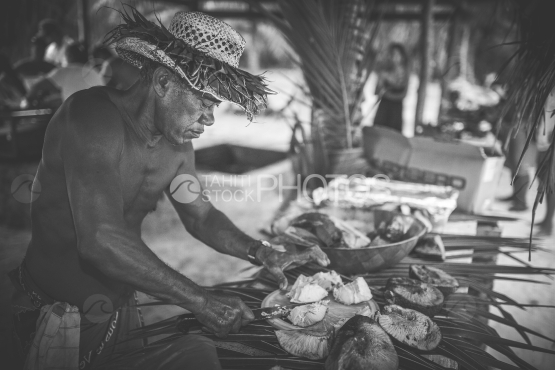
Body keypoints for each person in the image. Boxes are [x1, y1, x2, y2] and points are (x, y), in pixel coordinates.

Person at [10, 9, 328, 370]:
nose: (210, 118)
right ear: (162, 82)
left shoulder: (177, 150)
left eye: (215, 106)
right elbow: (100, 239)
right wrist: (201, 301)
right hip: (47, 314)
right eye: (204, 102)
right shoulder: (90, 119)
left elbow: (202, 216)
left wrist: (262, 251)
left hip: (119, 314)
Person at [26, 42, 104, 106]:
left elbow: (36, 87)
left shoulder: (65, 71)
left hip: (76, 117)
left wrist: (28, 102)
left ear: (69, 56)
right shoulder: (95, 72)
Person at [373, 43, 410, 133]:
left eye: (397, 54)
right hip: (383, 108)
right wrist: (381, 79)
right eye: (393, 54)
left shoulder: (406, 73)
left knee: (393, 136)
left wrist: (386, 94)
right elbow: (376, 92)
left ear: (403, 56)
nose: (395, 57)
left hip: (396, 111)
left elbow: (404, 94)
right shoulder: (384, 71)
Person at [535, 88, 555, 236]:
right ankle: (546, 219)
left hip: (551, 145)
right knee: (543, 180)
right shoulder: (549, 89)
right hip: (543, 143)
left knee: (550, 184)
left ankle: (548, 223)